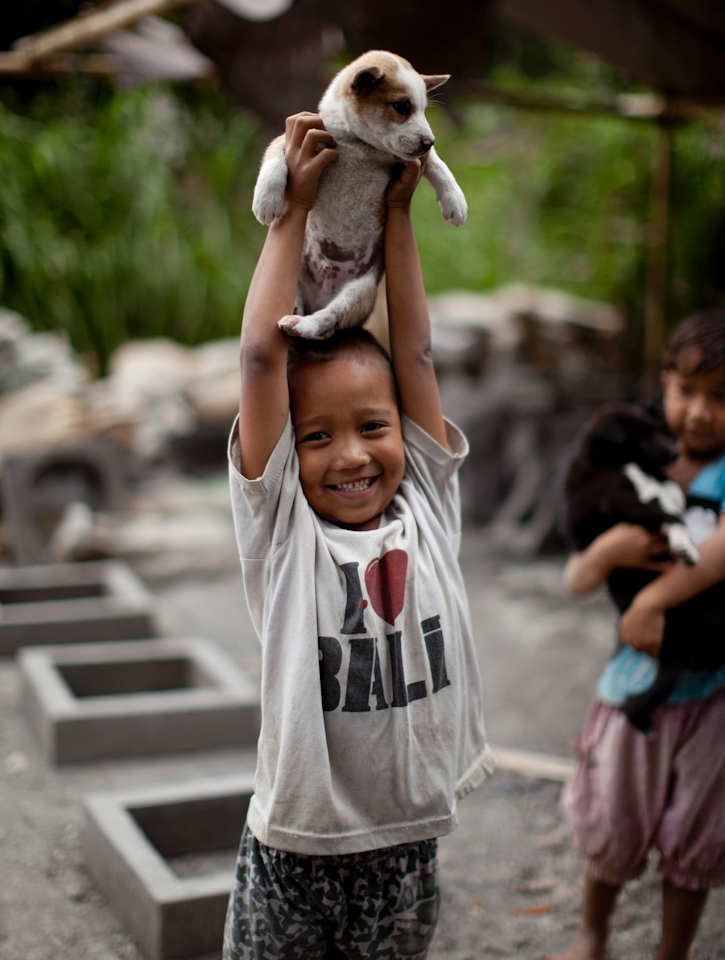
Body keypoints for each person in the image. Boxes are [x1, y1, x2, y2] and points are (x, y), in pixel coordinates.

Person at [223, 112, 495, 960]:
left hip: (409, 844)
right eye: (315, 437)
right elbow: (264, 362)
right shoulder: (285, 534)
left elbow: (411, 354)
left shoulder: (426, 508)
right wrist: (292, 212)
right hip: (293, 850)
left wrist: (400, 218)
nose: (350, 455)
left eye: (371, 427)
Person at [559, 310, 725, 960]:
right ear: (663, 383)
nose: (700, 413)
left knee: (696, 834)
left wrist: (653, 598)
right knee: (612, 814)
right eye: (688, 392)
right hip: (630, 686)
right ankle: (590, 937)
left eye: (721, 398)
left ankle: (671, 954)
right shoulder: (630, 454)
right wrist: (605, 557)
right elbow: (574, 578)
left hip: (713, 692)